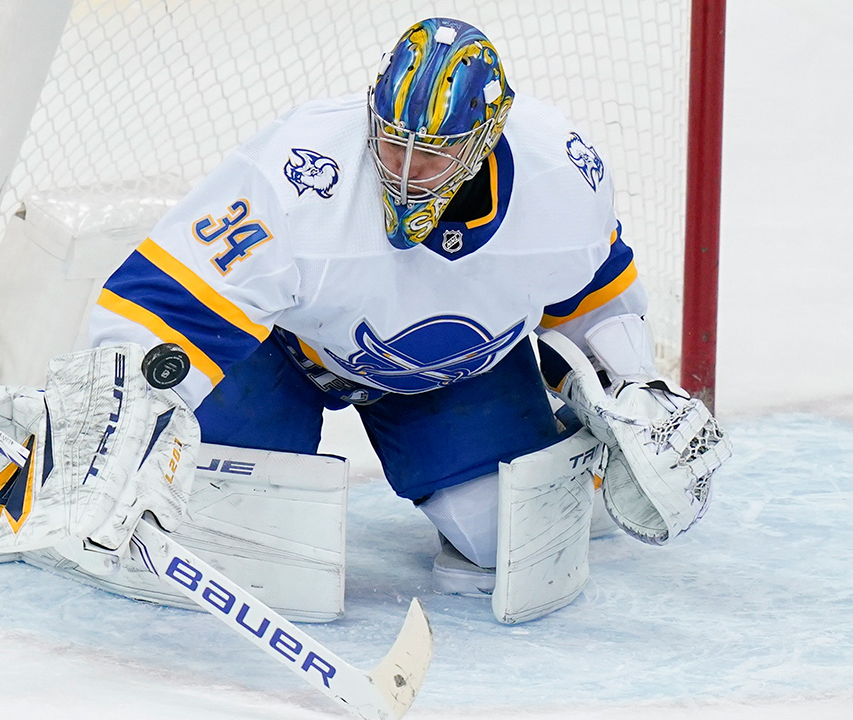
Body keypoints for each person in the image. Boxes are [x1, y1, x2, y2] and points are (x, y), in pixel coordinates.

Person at [87, 18, 728, 597]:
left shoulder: (561, 176)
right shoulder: (300, 173)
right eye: (393, 143)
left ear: (487, 137)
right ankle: (68, 447)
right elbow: (167, 298)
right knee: (228, 537)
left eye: (434, 154)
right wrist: (126, 423)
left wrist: (631, 383)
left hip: (455, 372)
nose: (405, 170)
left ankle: (554, 452)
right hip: (280, 352)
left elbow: (592, 290)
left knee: (510, 544)